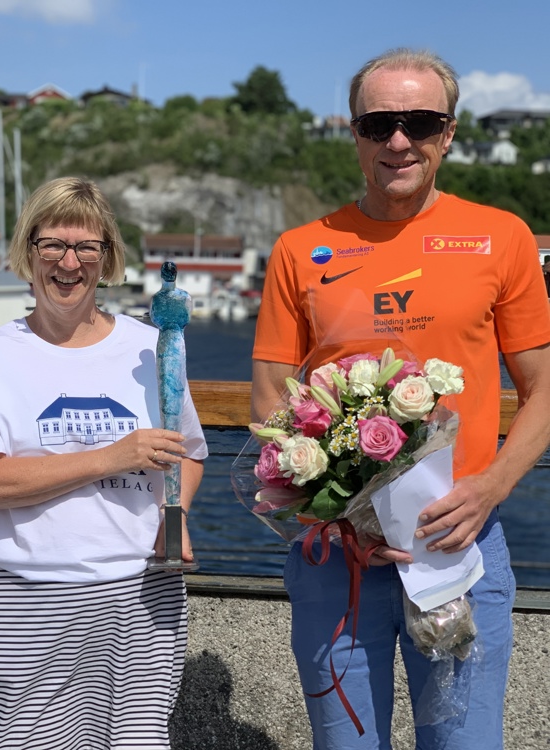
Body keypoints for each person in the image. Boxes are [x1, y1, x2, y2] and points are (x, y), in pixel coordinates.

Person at [251, 48, 550, 749]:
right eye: (378, 122)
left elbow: (543, 389)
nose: (398, 140)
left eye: (419, 121)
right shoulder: (300, 248)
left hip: (460, 543)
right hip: (336, 553)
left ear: (447, 134)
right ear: (353, 133)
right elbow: (270, 399)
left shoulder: (499, 237)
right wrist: (335, 510)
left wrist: (491, 487)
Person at [0, 177, 208, 750]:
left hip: (142, 596)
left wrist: (175, 515)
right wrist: (113, 455)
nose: (70, 263)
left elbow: (186, 453)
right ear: (28, 251)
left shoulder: (153, 347)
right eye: (53, 246)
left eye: (87, 247)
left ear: (107, 257)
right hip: (25, 599)